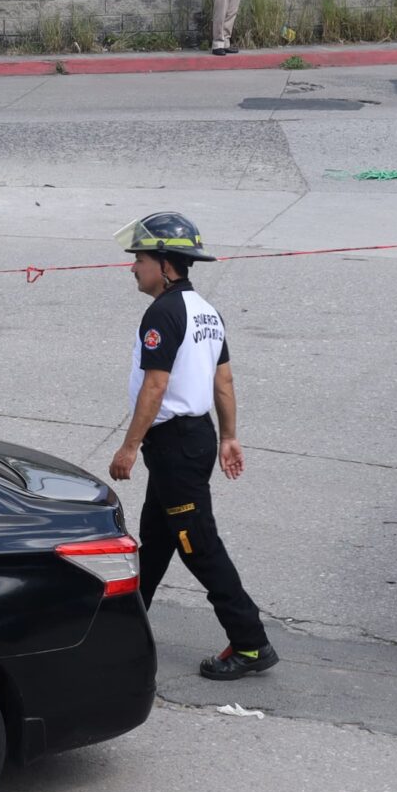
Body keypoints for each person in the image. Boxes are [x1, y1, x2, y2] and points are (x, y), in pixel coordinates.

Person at [106, 212, 276, 681]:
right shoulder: (206, 310)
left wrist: (128, 448)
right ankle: (122, 630)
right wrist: (228, 437)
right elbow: (223, 382)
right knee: (156, 541)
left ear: (164, 263)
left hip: (175, 445)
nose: (133, 268)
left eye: (138, 259)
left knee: (196, 544)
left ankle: (251, 643)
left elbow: (155, 388)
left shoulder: (162, 313)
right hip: (193, 438)